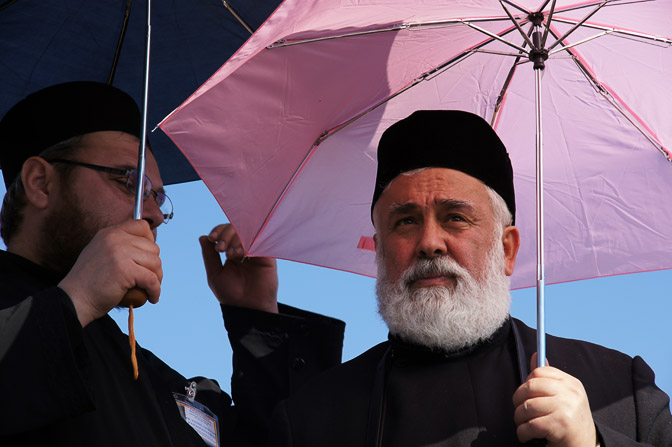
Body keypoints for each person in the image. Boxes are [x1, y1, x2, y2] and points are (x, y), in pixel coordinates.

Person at [268, 110, 672, 447]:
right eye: (406, 221)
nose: (429, 243)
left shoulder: (621, 390)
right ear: (379, 249)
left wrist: (593, 443)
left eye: (455, 218)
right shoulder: (314, 418)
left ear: (507, 249)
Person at [0, 81, 345, 447]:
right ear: (40, 183)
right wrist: (77, 300)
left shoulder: (146, 373)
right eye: (129, 181)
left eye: (158, 196)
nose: (153, 214)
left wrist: (259, 317)